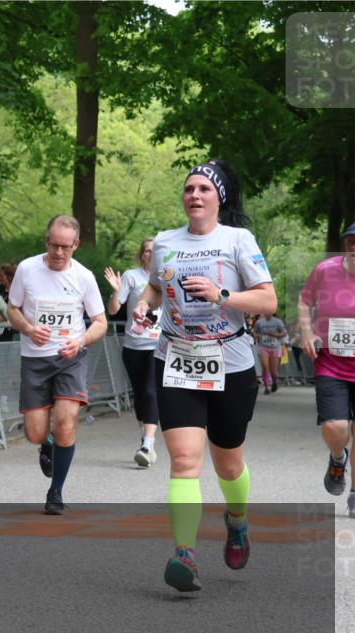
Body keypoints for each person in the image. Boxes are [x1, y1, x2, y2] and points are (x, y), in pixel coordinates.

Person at [132, 159, 276, 593]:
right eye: (189, 188)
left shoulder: (238, 239)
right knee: (184, 460)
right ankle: (185, 554)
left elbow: (267, 301)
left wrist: (223, 295)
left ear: (219, 198)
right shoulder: (165, 242)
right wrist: (144, 304)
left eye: (204, 189)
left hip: (230, 360)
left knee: (228, 463)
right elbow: (156, 286)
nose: (194, 195)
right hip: (176, 356)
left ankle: (236, 521)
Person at [7, 215, 107, 514]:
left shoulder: (84, 277)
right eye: (54, 245)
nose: (59, 253)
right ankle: (46, 443)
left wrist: (80, 342)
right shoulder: (27, 269)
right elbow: (12, 309)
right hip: (35, 360)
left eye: (66, 247)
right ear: (46, 242)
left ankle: (56, 493)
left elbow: (100, 322)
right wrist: (27, 328)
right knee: (35, 433)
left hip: (70, 359)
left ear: (75, 245)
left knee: (65, 422)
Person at [298, 223, 355, 518]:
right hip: (331, 361)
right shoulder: (325, 270)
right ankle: (337, 457)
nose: (354, 248)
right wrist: (306, 333)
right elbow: (305, 301)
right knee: (337, 428)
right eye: (350, 242)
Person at [104, 238, 162, 467]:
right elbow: (113, 310)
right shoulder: (131, 276)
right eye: (146, 251)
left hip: (158, 344)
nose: (150, 254)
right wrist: (116, 292)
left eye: (154, 251)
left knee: (150, 391)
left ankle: (147, 444)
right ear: (142, 254)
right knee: (140, 394)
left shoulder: (167, 276)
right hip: (133, 344)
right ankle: (147, 440)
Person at [253, 312, 287, 394]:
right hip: (263, 347)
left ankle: (274, 382)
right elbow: (254, 332)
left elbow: (284, 333)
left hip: (274, 347)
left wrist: (275, 334)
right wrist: (257, 336)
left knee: (274, 371)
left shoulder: (278, 321)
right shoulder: (259, 322)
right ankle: (267, 387)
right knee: (265, 367)